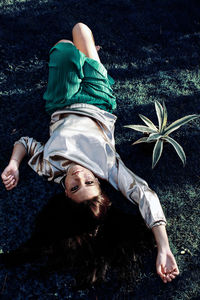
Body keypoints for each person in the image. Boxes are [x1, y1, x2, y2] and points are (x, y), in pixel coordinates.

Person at [1, 23, 179, 283]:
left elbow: (25, 143)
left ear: (65, 194)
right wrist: (164, 247)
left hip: (60, 102)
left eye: (74, 187)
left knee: (64, 47)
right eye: (89, 182)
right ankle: (88, 58)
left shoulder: (51, 168)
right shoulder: (108, 168)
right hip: (98, 101)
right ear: (99, 181)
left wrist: (14, 165)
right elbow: (144, 195)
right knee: (81, 29)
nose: (79, 176)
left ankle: (81, 56)